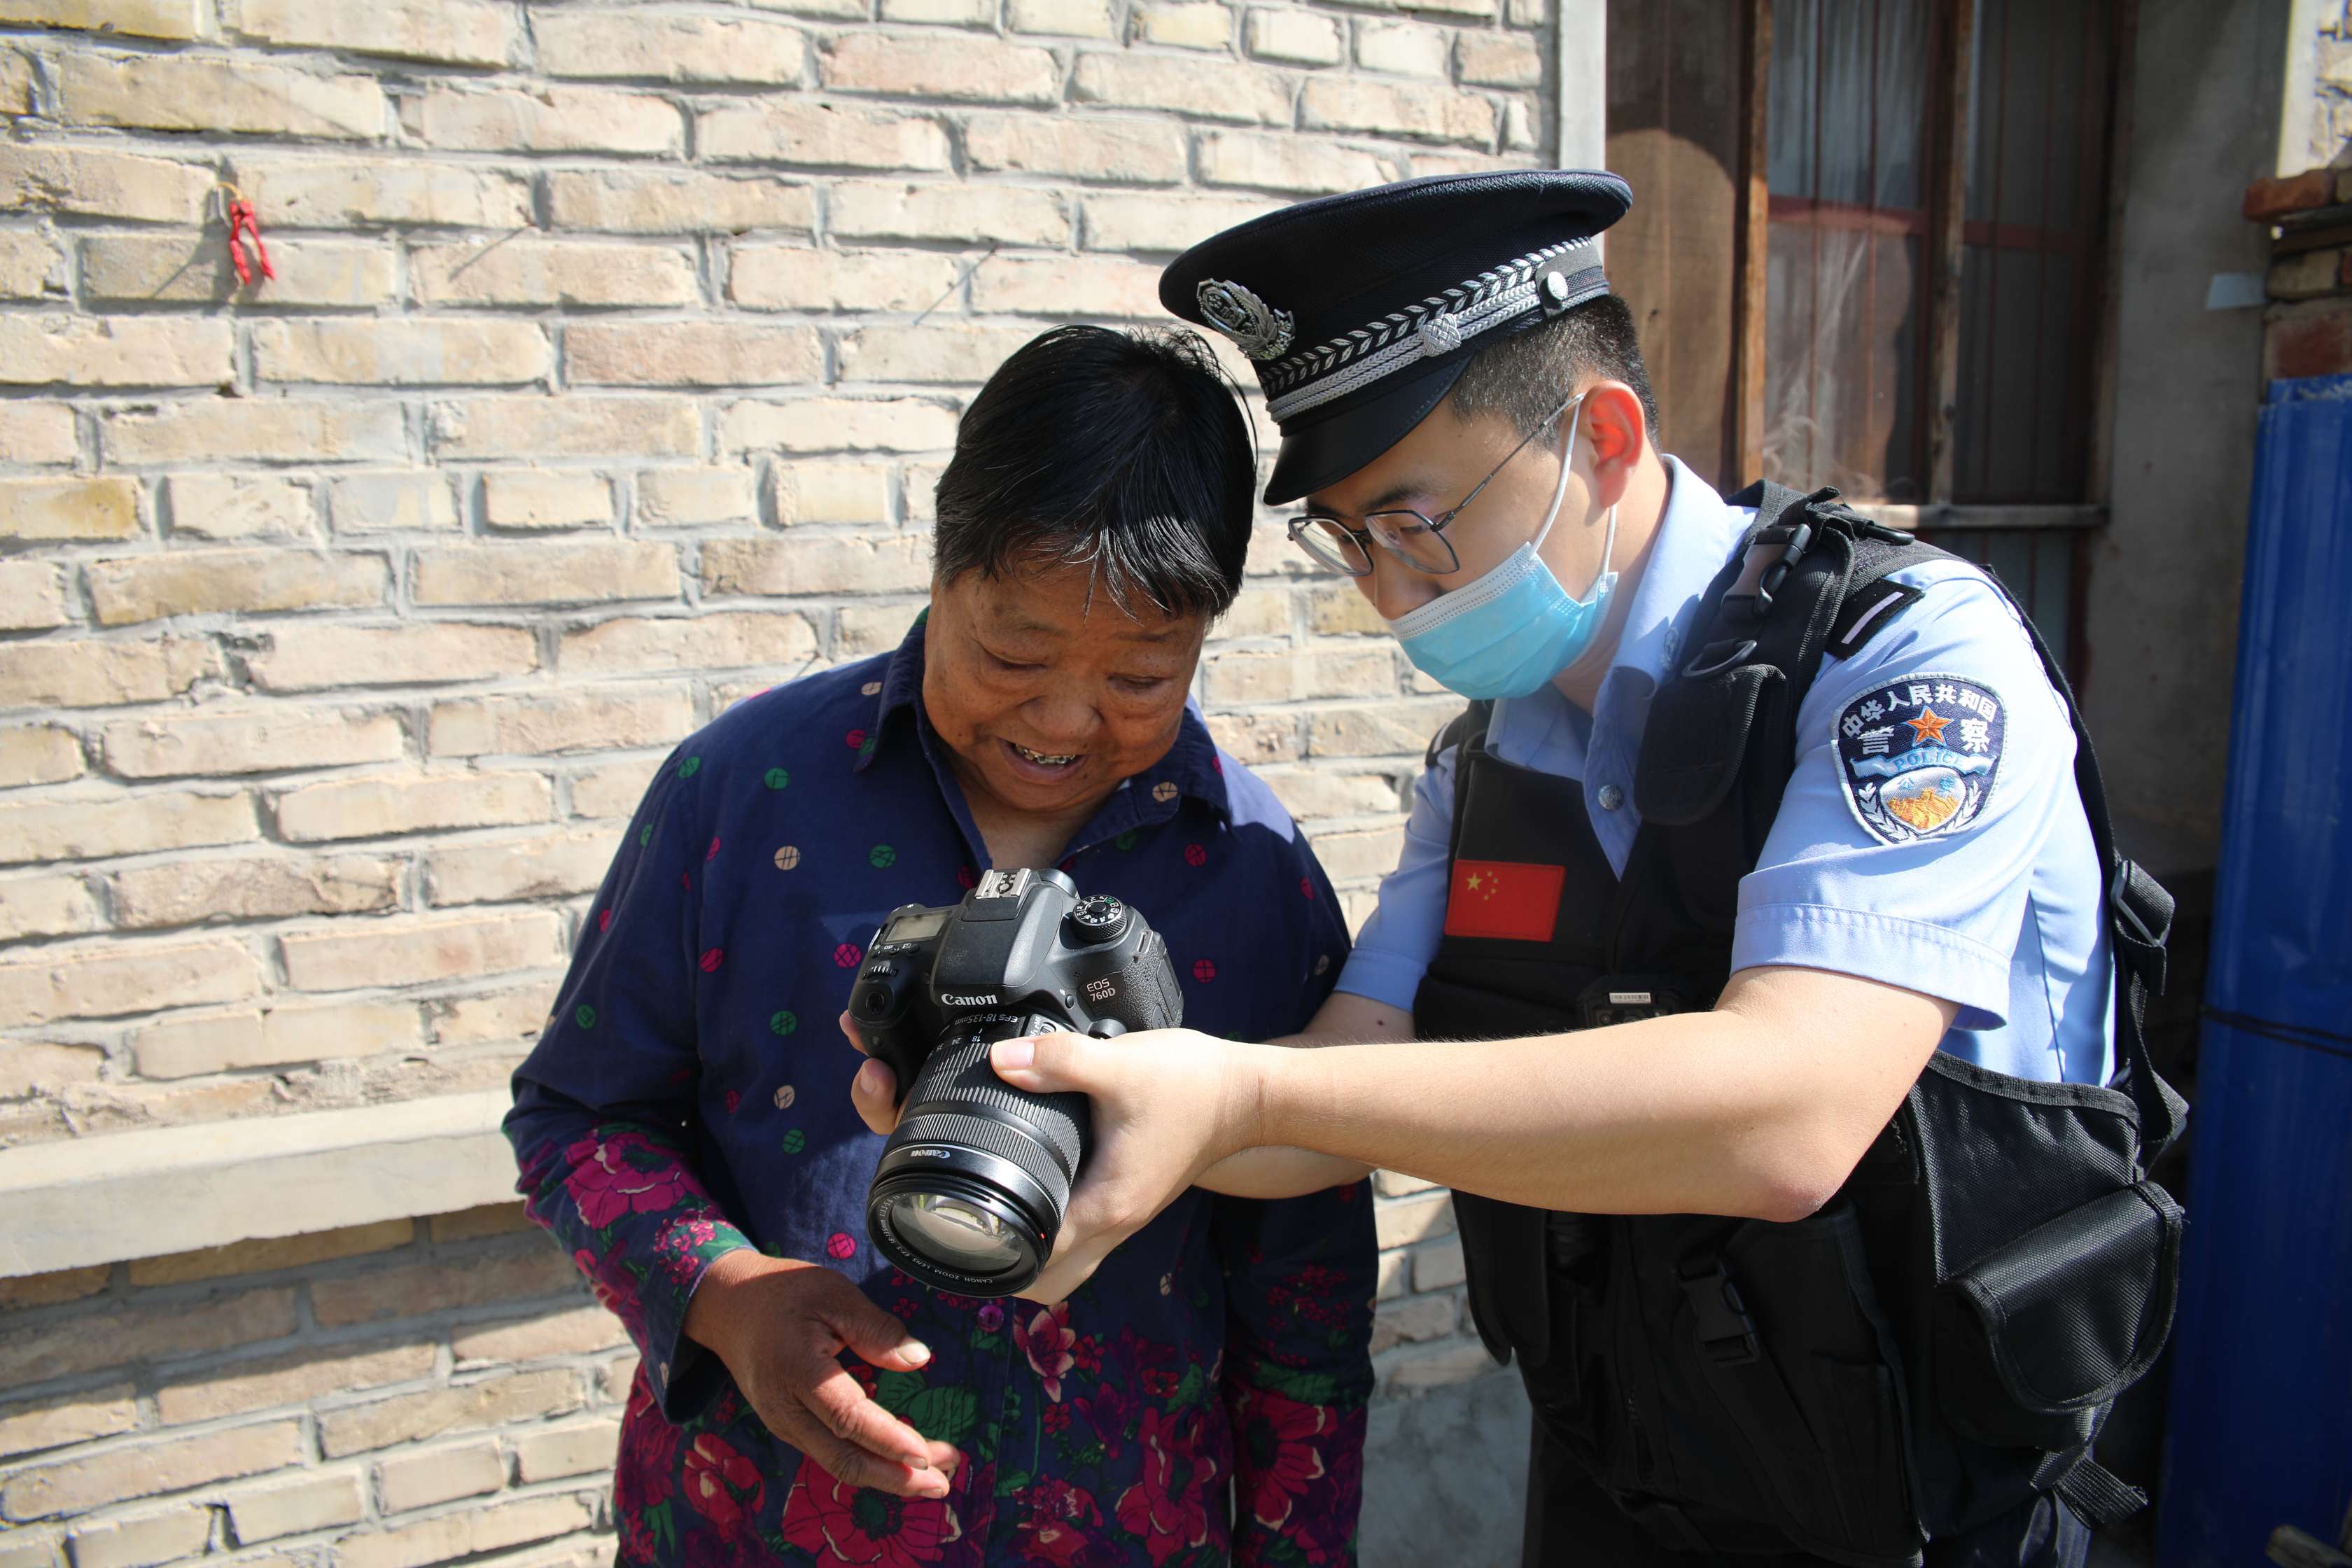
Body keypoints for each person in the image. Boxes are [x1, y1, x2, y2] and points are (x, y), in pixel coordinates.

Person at [850, 174, 2185, 1568]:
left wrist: (1238, 1089)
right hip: (1631, 1474)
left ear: (1602, 438)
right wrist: (1063, 1097)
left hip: (1927, 1509)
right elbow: (1340, 1082)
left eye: (1419, 526)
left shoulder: (1901, 666)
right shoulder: (1485, 761)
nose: (1387, 593)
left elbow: (1788, 1119)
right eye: (1351, 541)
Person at [507, 324, 1376, 1568]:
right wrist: (724, 1295)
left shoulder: (1251, 866)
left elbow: (1308, 1288)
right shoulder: (743, 795)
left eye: (1142, 677)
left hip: (1129, 1527)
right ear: (940, 567)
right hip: (753, 1520)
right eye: (1014, 655)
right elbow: (578, 1117)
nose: (1068, 719)